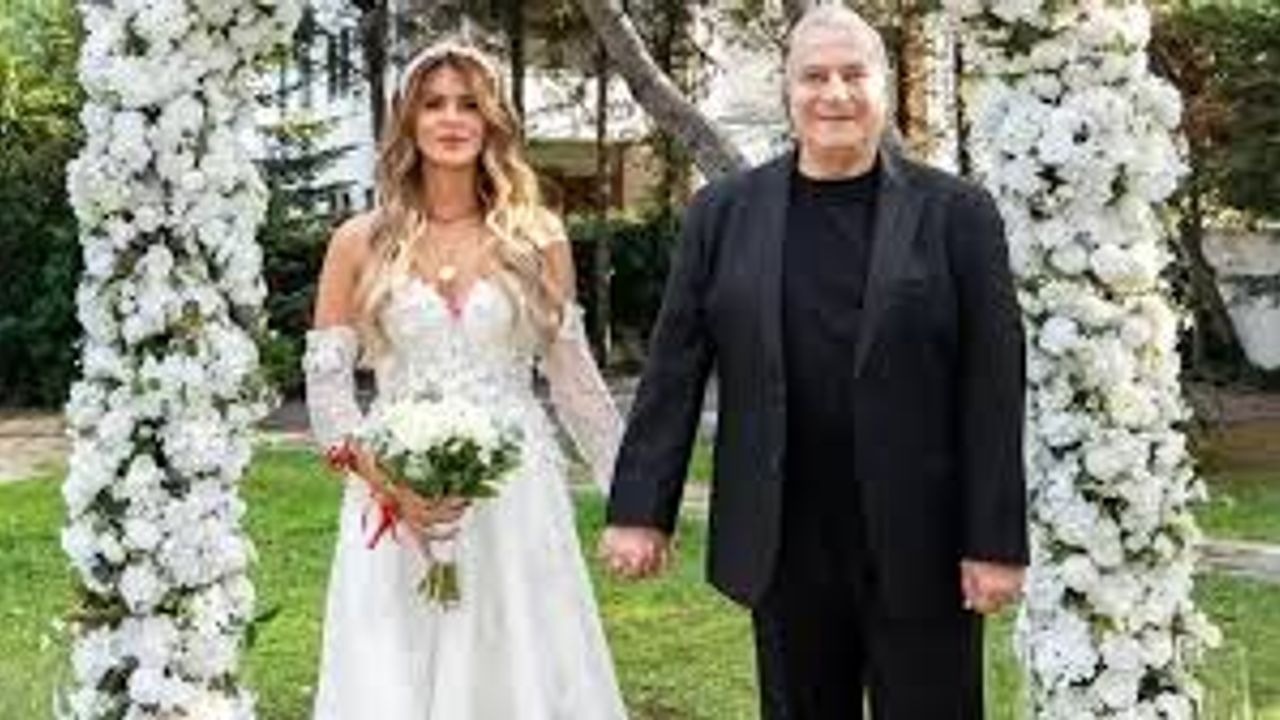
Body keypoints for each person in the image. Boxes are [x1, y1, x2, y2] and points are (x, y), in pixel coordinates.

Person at [601, 6, 1029, 718]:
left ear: (884, 85)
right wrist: (641, 511)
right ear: (787, 89)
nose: (835, 93)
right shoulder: (723, 213)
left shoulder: (958, 214)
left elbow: (992, 387)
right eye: (814, 76)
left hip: (921, 541)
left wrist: (995, 541)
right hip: (783, 540)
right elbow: (674, 369)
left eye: (854, 74)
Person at [303, 39, 627, 719]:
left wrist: (633, 499)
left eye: (469, 105)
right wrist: (391, 486)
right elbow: (328, 396)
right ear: (408, 120)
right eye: (433, 104)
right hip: (394, 499)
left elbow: (574, 384)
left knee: (516, 671)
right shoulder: (358, 241)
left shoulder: (536, 236)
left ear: (492, 122)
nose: (451, 119)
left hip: (515, 497)